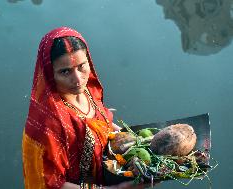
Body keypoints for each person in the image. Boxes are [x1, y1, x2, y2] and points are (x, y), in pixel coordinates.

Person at [22, 27, 152, 189]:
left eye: (82, 66)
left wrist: (132, 139)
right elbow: (52, 183)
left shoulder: (88, 90)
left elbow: (101, 123)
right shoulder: (49, 122)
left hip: (105, 174)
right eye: (65, 72)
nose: (78, 79)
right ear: (50, 74)